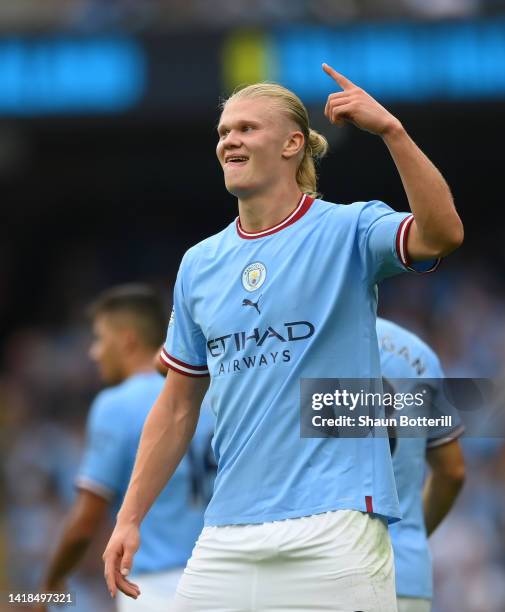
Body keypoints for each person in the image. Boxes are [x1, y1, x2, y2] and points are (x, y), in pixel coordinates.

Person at [103, 63, 464, 611]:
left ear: (294, 144)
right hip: (227, 531)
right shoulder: (199, 264)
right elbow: (177, 405)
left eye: (246, 128)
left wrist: (393, 131)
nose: (230, 141)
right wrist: (129, 518)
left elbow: (442, 234)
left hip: (335, 525)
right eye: (224, 132)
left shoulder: (349, 229)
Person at [39, 285, 214, 611]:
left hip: (153, 588)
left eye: (100, 338)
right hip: (219, 578)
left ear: (127, 340)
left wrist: (51, 581)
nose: (94, 352)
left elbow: (86, 520)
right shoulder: (207, 396)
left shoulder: (116, 405)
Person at [376, 318, 465, 612]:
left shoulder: (306, 344)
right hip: (406, 573)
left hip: (327, 566)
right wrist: (409, 535)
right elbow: (452, 472)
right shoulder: (418, 353)